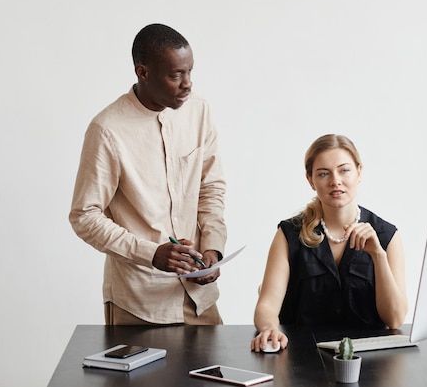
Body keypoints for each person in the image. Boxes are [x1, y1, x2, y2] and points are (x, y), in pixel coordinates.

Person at [69, 23, 227, 325]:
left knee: (215, 374)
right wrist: (151, 253)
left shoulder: (199, 111)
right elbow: (84, 215)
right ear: (143, 72)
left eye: (190, 71)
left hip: (200, 298)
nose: (187, 84)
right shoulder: (107, 130)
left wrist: (213, 248)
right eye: (176, 74)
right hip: (139, 304)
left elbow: (211, 189)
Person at [251, 134, 407, 352]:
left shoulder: (386, 235)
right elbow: (267, 303)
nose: (335, 181)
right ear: (310, 180)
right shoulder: (289, 234)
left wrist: (378, 256)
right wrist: (269, 328)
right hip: (301, 357)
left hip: (370, 360)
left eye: (344, 170)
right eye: (323, 173)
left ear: (359, 172)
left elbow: (395, 319)